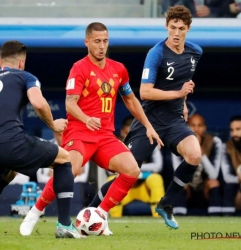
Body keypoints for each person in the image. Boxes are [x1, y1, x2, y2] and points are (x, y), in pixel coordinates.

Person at [20, 22, 163, 236]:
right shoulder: (79, 68)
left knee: (132, 170)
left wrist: (148, 126)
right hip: (80, 132)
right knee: (70, 170)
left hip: (105, 136)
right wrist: (86, 119)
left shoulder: (118, 69)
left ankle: (99, 216)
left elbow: (131, 99)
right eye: (97, 41)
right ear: (87, 42)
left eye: (105, 41)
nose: (102, 46)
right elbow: (70, 103)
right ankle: (35, 212)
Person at [0, 40, 85, 239]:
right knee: (64, 158)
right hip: (10, 143)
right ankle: (65, 225)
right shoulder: (25, 76)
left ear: (0, 61)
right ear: (22, 62)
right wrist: (53, 125)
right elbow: (38, 103)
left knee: (6, 175)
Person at [89, 6, 203, 229]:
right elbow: (145, 92)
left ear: (188, 28)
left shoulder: (195, 52)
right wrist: (179, 94)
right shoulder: (156, 53)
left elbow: (182, 82)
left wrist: (182, 103)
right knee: (127, 172)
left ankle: (166, 204)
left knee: (194, 155)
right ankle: (91, 212)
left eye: (181, 28)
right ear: (166, 26)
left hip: (174, 120)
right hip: (148, 121)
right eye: (172, 28)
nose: (176, 33)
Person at [171, 114, 222, 215]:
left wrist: (201, 154)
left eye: (200, 126)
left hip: (205, 190)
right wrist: (191, 152)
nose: (196, 129)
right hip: (187, 190)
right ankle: (179, 218)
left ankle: (215, 219)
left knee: (214, 182)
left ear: (205, 128)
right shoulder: (177, 143)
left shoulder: (215, 142)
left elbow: (213, 175)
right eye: (193, 125)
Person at [107, 146, 164, 218]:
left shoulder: (150, 141)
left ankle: (158, 215)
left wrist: (134, 169)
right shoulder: (115, 143)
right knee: (112, 179)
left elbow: (158, 166)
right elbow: (109, 168)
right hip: (125, 186)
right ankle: (115, 218)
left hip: (144, 186)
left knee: (156, 178)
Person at [221, 115, 241, 215]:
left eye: (238, 129)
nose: (235, 133)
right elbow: (227, 177)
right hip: (235, 184)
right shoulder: (226, 147)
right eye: (232, 130)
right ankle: (227, 219)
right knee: (229, 187)